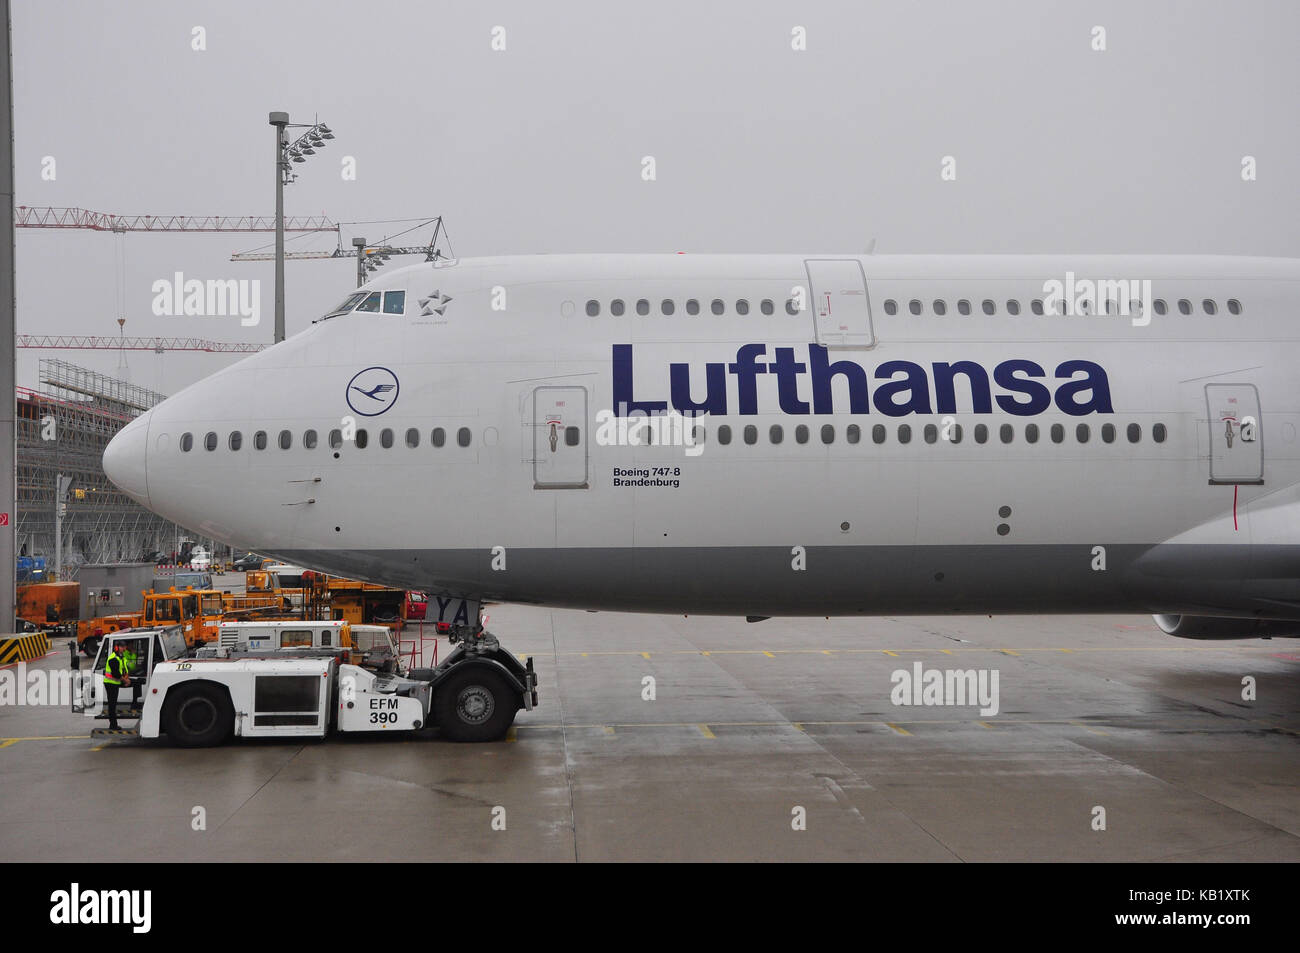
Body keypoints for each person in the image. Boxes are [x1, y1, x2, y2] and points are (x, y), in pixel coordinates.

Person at [102, 644, 131, 730]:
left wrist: (127, 678)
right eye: (122, 647)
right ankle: (113, 725)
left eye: (124, 647)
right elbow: (116, 674)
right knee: (112, 704)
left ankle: (135, 703)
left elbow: (124, 669)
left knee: (138, 682)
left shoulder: (121, 656)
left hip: (117, 681)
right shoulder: (113, 659)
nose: (124, 648)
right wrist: (125, 681)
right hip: (110, 683)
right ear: (117, 648)